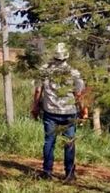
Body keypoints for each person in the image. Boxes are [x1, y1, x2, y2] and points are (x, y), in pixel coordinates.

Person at [31, 42, 86, 182]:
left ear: (54, 55)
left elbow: (38, 91)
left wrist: (35, 107)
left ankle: (47, 172)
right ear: (67, 56)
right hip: (69, 113)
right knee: (69, 143)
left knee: (49, 142)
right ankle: (69, 174)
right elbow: (78, 94)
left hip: (50, 112)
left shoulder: (44, 70)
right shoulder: (74, 72)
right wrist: (83, 110)